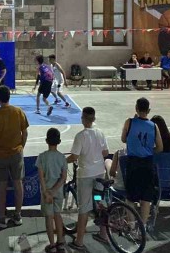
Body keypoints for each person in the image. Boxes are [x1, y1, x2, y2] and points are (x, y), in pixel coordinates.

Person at [0, 86, 29, 228]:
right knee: (18, 183)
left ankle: (2, 217)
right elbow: (25, 133)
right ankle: (18, 215)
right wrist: (21, 146)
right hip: (16, 153)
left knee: (1, 186)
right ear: (9, 96)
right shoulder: (18, 112)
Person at [67, 107, 109, 250]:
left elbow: (74, 156)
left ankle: (79, 241)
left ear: (83, 119)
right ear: (94, 119)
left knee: (84, 207)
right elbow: (105, 152)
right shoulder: (100, 133)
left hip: (85, 176)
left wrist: (63, 161)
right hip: (99, 174)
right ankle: (103, 233)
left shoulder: (80, 136)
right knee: (99, 201)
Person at [121, 98, 163, 226]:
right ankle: (143, 225)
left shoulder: (129, 122)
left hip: (133, 163)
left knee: (130, 197)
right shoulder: (154, 126)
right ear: (148, 110)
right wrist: (148, 150)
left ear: (136, 108)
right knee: (146, 198)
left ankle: (131, 224)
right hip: (147, 164)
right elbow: (160, 147)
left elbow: (123, 139)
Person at [36, 128, 67, 253]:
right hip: (58, 192)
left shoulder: (42, 157)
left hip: (46, 193)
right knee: (57, 215)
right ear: (59, 141)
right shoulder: (62, 157)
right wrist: (54, 191)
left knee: (49, 218)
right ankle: (60, 242)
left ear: (46, 141)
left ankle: (52, 245)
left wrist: (46, 192)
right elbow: (63, 178)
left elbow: (41, 177)